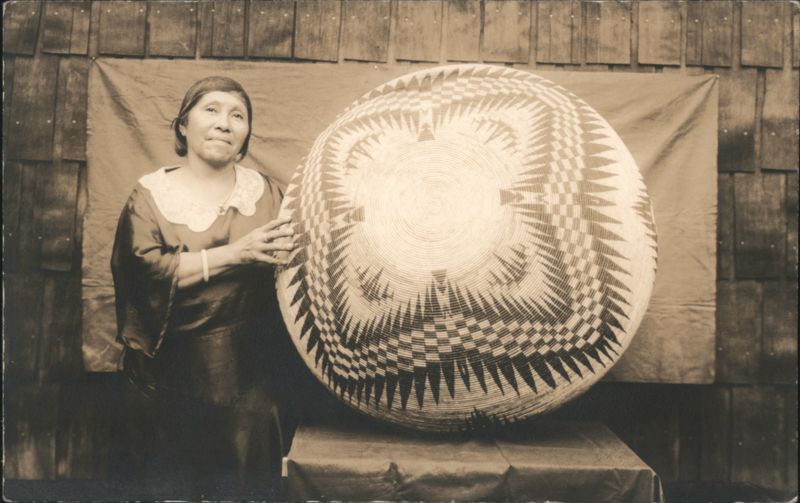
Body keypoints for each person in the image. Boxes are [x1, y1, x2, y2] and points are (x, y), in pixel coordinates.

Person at [110, 76, 295, 498]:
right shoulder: (151, 195)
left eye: (238, 115)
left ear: (246, 134)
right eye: (210, 110)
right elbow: (143, 272)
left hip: (250, 386)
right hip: (165, 385)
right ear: (183, 125)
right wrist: (236, 254)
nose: (224, 123)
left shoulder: (268, 195)